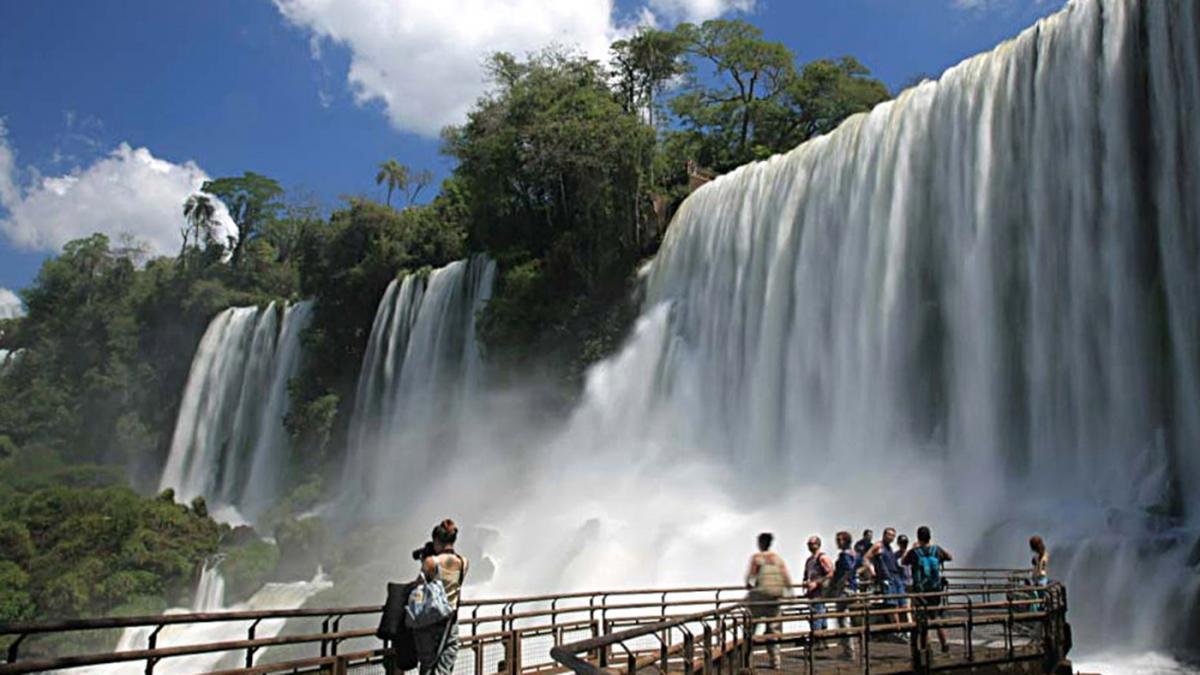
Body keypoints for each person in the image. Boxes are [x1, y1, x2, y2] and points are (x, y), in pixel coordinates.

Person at [414, 519, 469, 675]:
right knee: (445, 668)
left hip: (429, 622)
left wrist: (425, 559)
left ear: (436, 540)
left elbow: (419, 587)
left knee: (427, 667)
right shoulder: (464, 562)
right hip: (451, 622)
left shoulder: (431, 562)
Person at [902, 526, 953, 654]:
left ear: (918, 538)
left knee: (922, 619)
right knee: (935, 616)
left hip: (920, 591)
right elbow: (949, 557)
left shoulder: (914, 552)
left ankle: (925, 648)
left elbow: (903, 562)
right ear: (930, 536)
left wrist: (914, 548)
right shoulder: (937, 550)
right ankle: (944, 643)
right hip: (935, 590)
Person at [746, 532, 794, 669]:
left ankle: (747, 659)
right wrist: (790, 593)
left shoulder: (757, 558)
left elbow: (750, 579)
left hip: (760, 598)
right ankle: (775, 660)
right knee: (773, 629)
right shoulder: (777, 558)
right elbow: (786, 576)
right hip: (775, 598)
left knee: (751, 627)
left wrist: (751, 586)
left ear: (760, 543)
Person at [862, 527, 907, 633]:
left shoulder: (889, 548)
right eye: (889, 535)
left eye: (893, 536)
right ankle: (897, 628)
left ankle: (904, 628)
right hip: (886, 577)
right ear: (884, 535)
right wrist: (872, 570)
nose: (891, 537)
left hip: (896, 576)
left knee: (903, 602)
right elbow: (866, 558)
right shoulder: (878, 545)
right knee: (892, 604)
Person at [830, 531, 859, 660]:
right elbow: (858, 567)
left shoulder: (844, 555)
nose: (837, 542)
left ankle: (849, 651)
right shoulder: (854, 554)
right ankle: (849, 648)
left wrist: (842, 581)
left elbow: (847, 570)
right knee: (846, 619)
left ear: (845, 541)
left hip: (844, 590)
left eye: (839, 539)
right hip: (852, 588)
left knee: (843, 620)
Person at [803, 535, 835, 639]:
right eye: (809, 544)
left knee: (817, 614)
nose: (810, 546)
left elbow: (831, 573)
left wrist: (817, 583)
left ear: (818, 544)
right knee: (818, 613)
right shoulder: (809, 560)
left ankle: (818, 639)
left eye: (812, 544)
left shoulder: (822, 558)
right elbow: (806, 574)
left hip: (820, 591)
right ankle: (821, 639)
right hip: (812, 592)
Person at [1029, 535, 1049, 611]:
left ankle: (1039, 609)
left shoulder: (1044, 556)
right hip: (1038, 579)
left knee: (1038, 597)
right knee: (1037, 597)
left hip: (1041, 580)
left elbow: (1042, 569)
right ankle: (1039, 608)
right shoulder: (1038, 556)